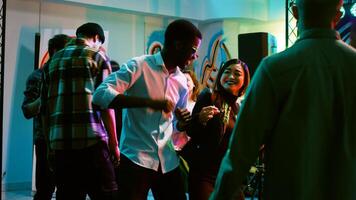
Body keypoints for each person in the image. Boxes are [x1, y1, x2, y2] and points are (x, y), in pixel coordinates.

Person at [210, 0, 356, 199]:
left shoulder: (274, 69)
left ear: (295, 12)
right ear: (338, 16)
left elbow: (241, 151)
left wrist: (221, 194)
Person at [92, 19, 202, 200]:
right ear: (178, 45)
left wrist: (182, 121)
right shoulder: (140, 65)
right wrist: (147, 102)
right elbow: (100, 95)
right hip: (136, 159)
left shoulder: (182, 81)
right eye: (193, 50)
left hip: (167, 161)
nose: (194, 57)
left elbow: (176, 122)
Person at [41, 22, 119, 200]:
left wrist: (49, 147)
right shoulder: (97, 56)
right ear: (97, 38)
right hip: (91, 144)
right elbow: (105, 105)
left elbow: (45, 110)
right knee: (107, 194)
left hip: (61, 146)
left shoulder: (51, 62)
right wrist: (114, 144)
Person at [186, 59, 249, 200]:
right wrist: (200, 120)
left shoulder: (238, 109)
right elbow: (191, 132)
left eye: (237, 73)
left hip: (228, 176)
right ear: (220, 75)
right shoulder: (209, 96)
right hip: (204, 176)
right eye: (227, 72)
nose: (231, 76)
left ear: (244, 81)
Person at [22, 34, 69, 200]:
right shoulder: (37, 76)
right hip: (45, 140)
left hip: (68, 139)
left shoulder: (69, 74)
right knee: (45, 190)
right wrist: (45, 97)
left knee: (69, 189)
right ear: (55, 51)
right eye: (66, 50)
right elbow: (27, 110)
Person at [172, 69, 200, 151]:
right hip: (172, 147)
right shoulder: (174, 104)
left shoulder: (198, 105)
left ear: (194, 84)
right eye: (181, 81)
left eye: (187, 80)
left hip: (190, 148)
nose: (184, 83)